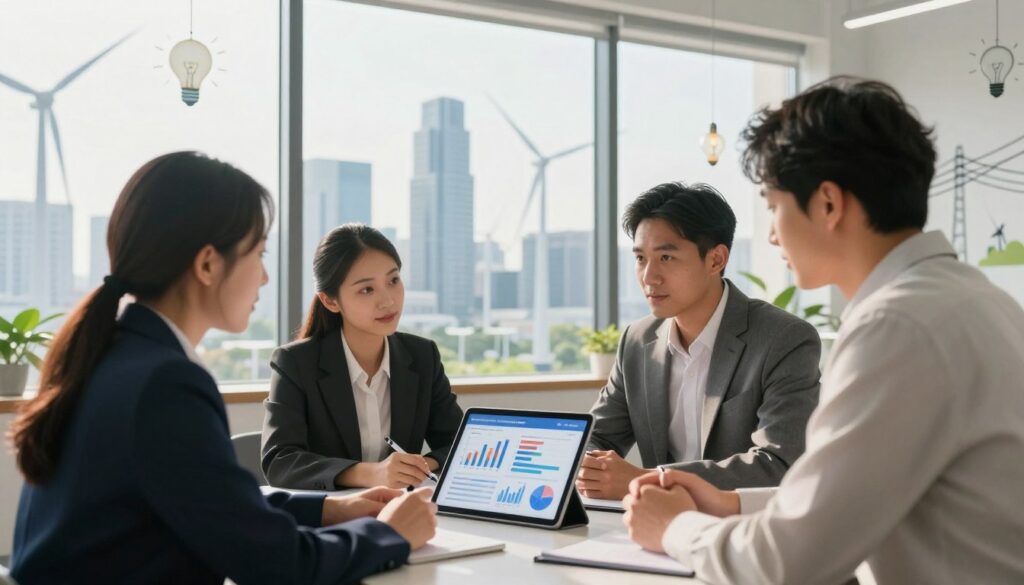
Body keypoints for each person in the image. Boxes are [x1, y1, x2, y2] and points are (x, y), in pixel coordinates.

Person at [623, 78, 1024, 584]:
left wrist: (676, 527)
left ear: (828, 204)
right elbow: (854, 495)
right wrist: (729, 501)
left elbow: (789, 563)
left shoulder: (896, 326)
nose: (771, 233)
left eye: (774, 206)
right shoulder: (975, 299)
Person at [8, 152, 437, 585]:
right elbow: (279, 565)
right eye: (259, 253)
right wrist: (388, 534)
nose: (265, 277)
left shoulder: (114, 355)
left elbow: (213, 504)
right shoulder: (165, 384)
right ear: (209, 264)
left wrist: (331, 508)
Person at [577, 182, 821, 501]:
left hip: (742, 530)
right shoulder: (637, 341)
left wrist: (648, 479)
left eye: (666, 257)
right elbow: (594, 438)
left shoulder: (783, 338)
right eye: (640, 258)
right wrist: (589, 465)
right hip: (653, 527)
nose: (649, 276)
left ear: (716, 260)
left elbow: (780, 464)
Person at [262, 224, 463, 490]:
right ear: (330, 301)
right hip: (330, 519)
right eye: (366, 289)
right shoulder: (296, 363)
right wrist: (370, 474)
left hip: (401, 512)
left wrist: (420, 467)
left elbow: (462, 443)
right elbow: (280, 461)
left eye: (393, 280)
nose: (388, 301)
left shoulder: (422, 356)